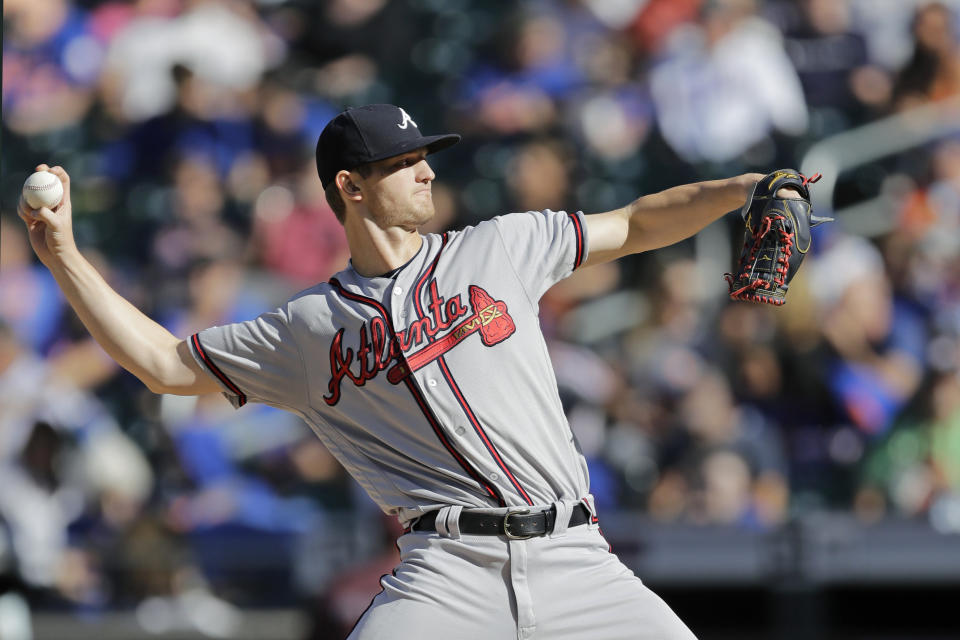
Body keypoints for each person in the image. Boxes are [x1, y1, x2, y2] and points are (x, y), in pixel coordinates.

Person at [18, 103, 800, 639]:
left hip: (574, 555)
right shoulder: (308, 328)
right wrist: (62, 255)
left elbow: (633, 222)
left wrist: (745, 189)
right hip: (444, 572)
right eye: (402, 162)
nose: (425, 172)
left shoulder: (500, 247)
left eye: (424, 157)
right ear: (350, 189)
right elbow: (161, 363)